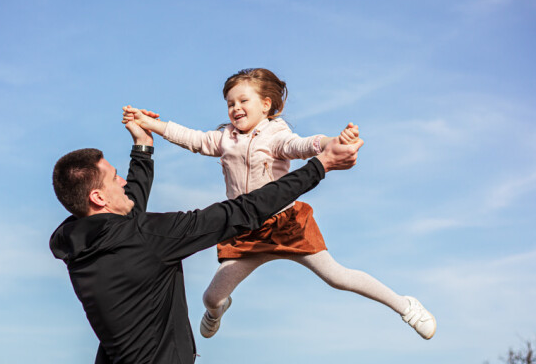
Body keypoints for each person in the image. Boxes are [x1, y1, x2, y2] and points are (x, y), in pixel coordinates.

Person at [49, 116, 364, 364]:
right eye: (115, 177)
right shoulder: (145, 238)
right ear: (99, 197)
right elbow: (242, 211)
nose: (123, 183)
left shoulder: (77, 243)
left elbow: (125, 212)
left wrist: (143, 147)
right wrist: (320, 166)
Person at [122, 67, 436, 341]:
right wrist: (152, 125)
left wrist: (332, 143)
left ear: (266, 104)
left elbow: (303, 145)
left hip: (287, 226)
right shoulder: (225, 138)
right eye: (230, 103)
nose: (235, 108)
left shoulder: (276, 136)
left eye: (243, 101)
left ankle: (406, 306)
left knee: (338, 277)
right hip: (244, 229)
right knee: (211, 297)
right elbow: (193, 139)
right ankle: (217, 312)